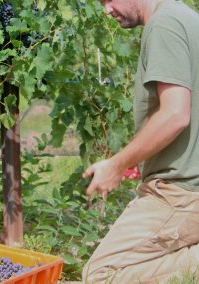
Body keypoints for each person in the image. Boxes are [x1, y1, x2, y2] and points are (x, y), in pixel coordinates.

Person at [82, 0, 199, 283]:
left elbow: (174, 115)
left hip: (179, 193)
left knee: (101, 275)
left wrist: (116, 165)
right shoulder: (188, 18)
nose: (106, 10)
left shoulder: (164, 25)